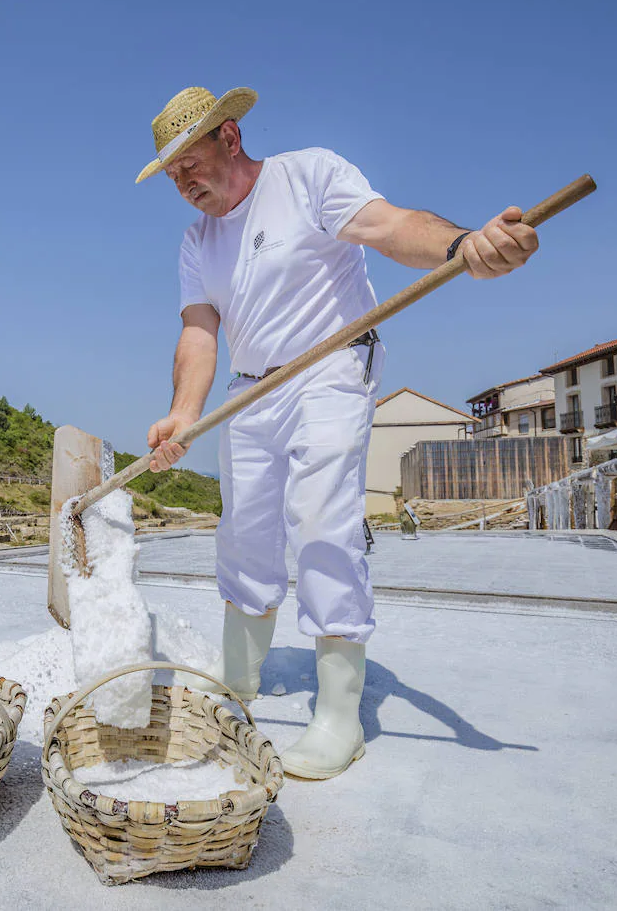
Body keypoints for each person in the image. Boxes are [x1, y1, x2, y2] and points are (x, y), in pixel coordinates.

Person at [137, 86, 538, 780]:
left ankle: (339, 716)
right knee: (243, 533)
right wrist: (181, 413)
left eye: (188, 164)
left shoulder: (306, 175)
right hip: (248, 389)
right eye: (171, 176)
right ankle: (240, 679)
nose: (183, 183)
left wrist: (460, 245)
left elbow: (387, 226)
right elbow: (200, 333)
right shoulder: (197, 241)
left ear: (229, 138)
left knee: (321, 523)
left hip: (330, 363)